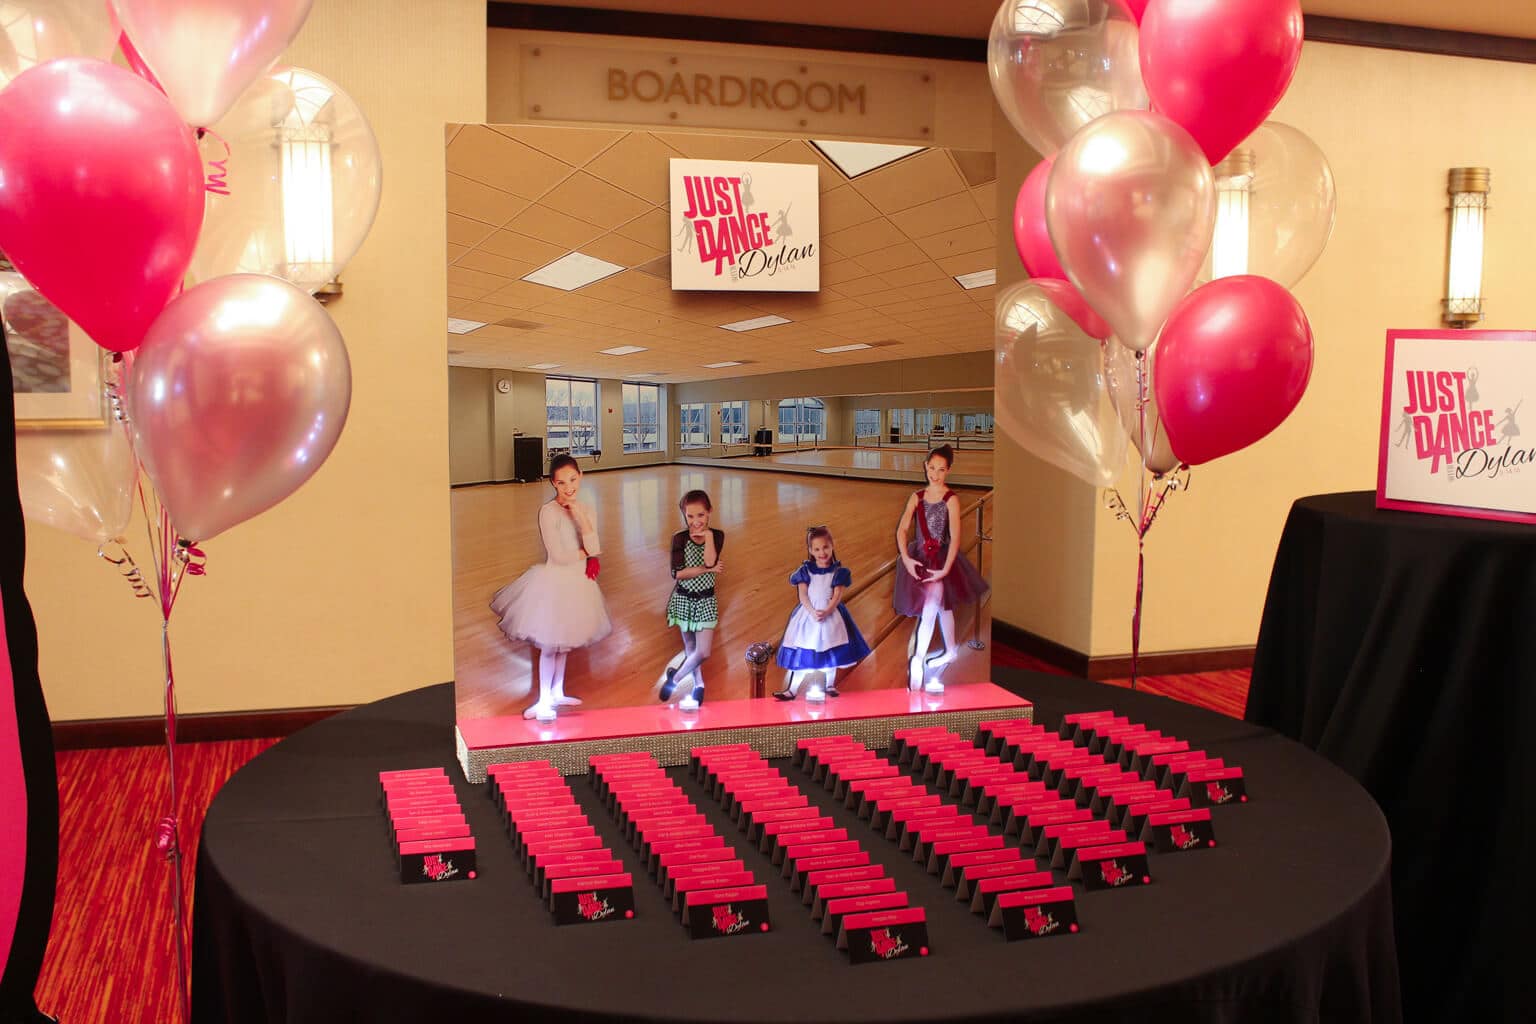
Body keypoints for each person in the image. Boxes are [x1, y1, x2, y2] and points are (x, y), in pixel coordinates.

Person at [488, 454, 610, 722]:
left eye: (573, 480)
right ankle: (543, 700)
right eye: (561, 482)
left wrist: (582, 521)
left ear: (581, 477)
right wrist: (587, 550)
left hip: (579, 583)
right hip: (555, 583)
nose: (569, 487)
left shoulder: (586, 508)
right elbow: (560, 555)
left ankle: (557, 691)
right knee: (550, 645)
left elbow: (595, 545)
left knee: (563, 643)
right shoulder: (548, 511)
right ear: (553, 484)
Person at [892, 445, 989, 694]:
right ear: (925, 466)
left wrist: (946, 569)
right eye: (932, 468)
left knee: (930, 607)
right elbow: (902, 529)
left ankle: (918, 660)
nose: (935, 474)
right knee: (942, 606)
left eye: (941, 469)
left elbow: (955, 536)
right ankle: (951, 651)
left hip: (943, 560)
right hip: (920, 558)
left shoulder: (951, 499)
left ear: (948, 471)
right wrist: (906, 557)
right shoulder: (916, 497)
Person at [772, 526, 871, 702]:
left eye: (825, 547)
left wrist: (827, 611)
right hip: (808, 616)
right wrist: (812, 611)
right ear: (810, 550)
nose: (822, 552)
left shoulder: (839, 572)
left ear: (832, 546)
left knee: (830, 650)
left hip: (830, 614)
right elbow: (802, 594)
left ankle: (830, 684)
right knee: (804, 653)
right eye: (816, 549)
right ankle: (792, 690)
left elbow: (837, 595)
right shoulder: (805, 571)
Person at [659, 490, 724, 711]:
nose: (696, 522)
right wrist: (707, 569)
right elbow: (677, 573)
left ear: (709, 512)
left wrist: (707, 538)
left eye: (701, 515)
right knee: (691, 647)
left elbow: (709, 560)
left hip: (706, 600)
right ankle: (699, 685)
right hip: (684, 599)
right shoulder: (679, 538)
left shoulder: (717, 536)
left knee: (703, 651)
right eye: (690, 517)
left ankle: (674, 679)